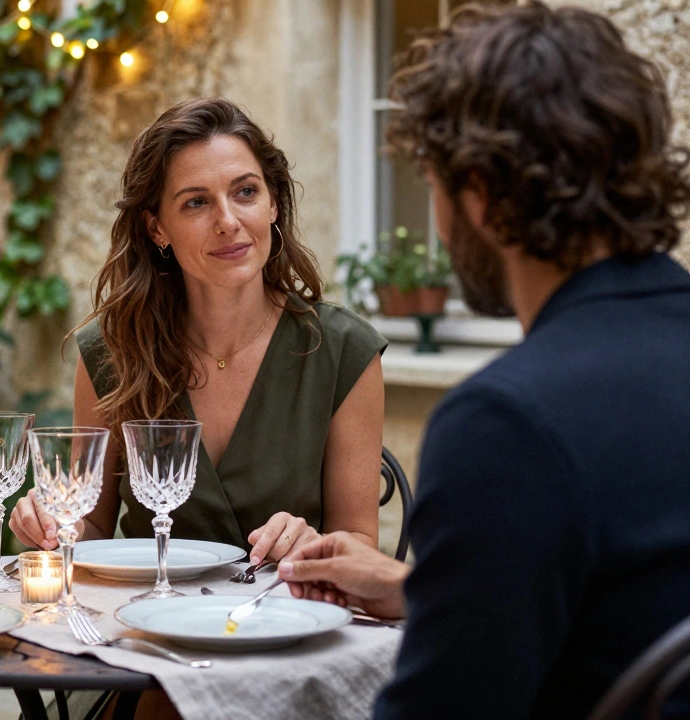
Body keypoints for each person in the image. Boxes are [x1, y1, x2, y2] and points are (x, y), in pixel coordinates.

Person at [276, 3, 690, 718]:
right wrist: (424, 590)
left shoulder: (508, 424)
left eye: (430, 184)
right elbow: (635, 599)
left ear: (479, 194)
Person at [8, 97, 388, 566]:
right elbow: (93, 528)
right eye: (196, 202)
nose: (228, 222)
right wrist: (48, 521)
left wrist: (313, 543)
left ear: (273, 204)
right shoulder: (111, 354)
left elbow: (360, 541)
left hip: (284, 620)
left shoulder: (345, 351)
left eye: (245, 192)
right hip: (145, 624)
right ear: (157, 228)